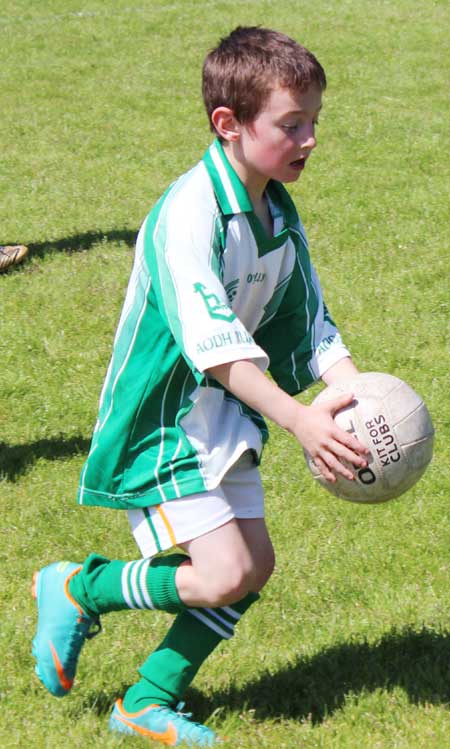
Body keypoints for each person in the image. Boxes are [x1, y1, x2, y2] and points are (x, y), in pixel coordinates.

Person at [31, 26, 369, 746]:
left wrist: (358, 394)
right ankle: (77, 587)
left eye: (315, 122)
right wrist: (302, 421)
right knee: (220, 574)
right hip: (161, 420)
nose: (311, 139)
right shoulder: (190, 213)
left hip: (222, 418)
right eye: (292, 124)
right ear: (229, 124)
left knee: (255, 566)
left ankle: (145, 702)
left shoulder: (275, 209)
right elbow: (214, 348)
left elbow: (308, 322)